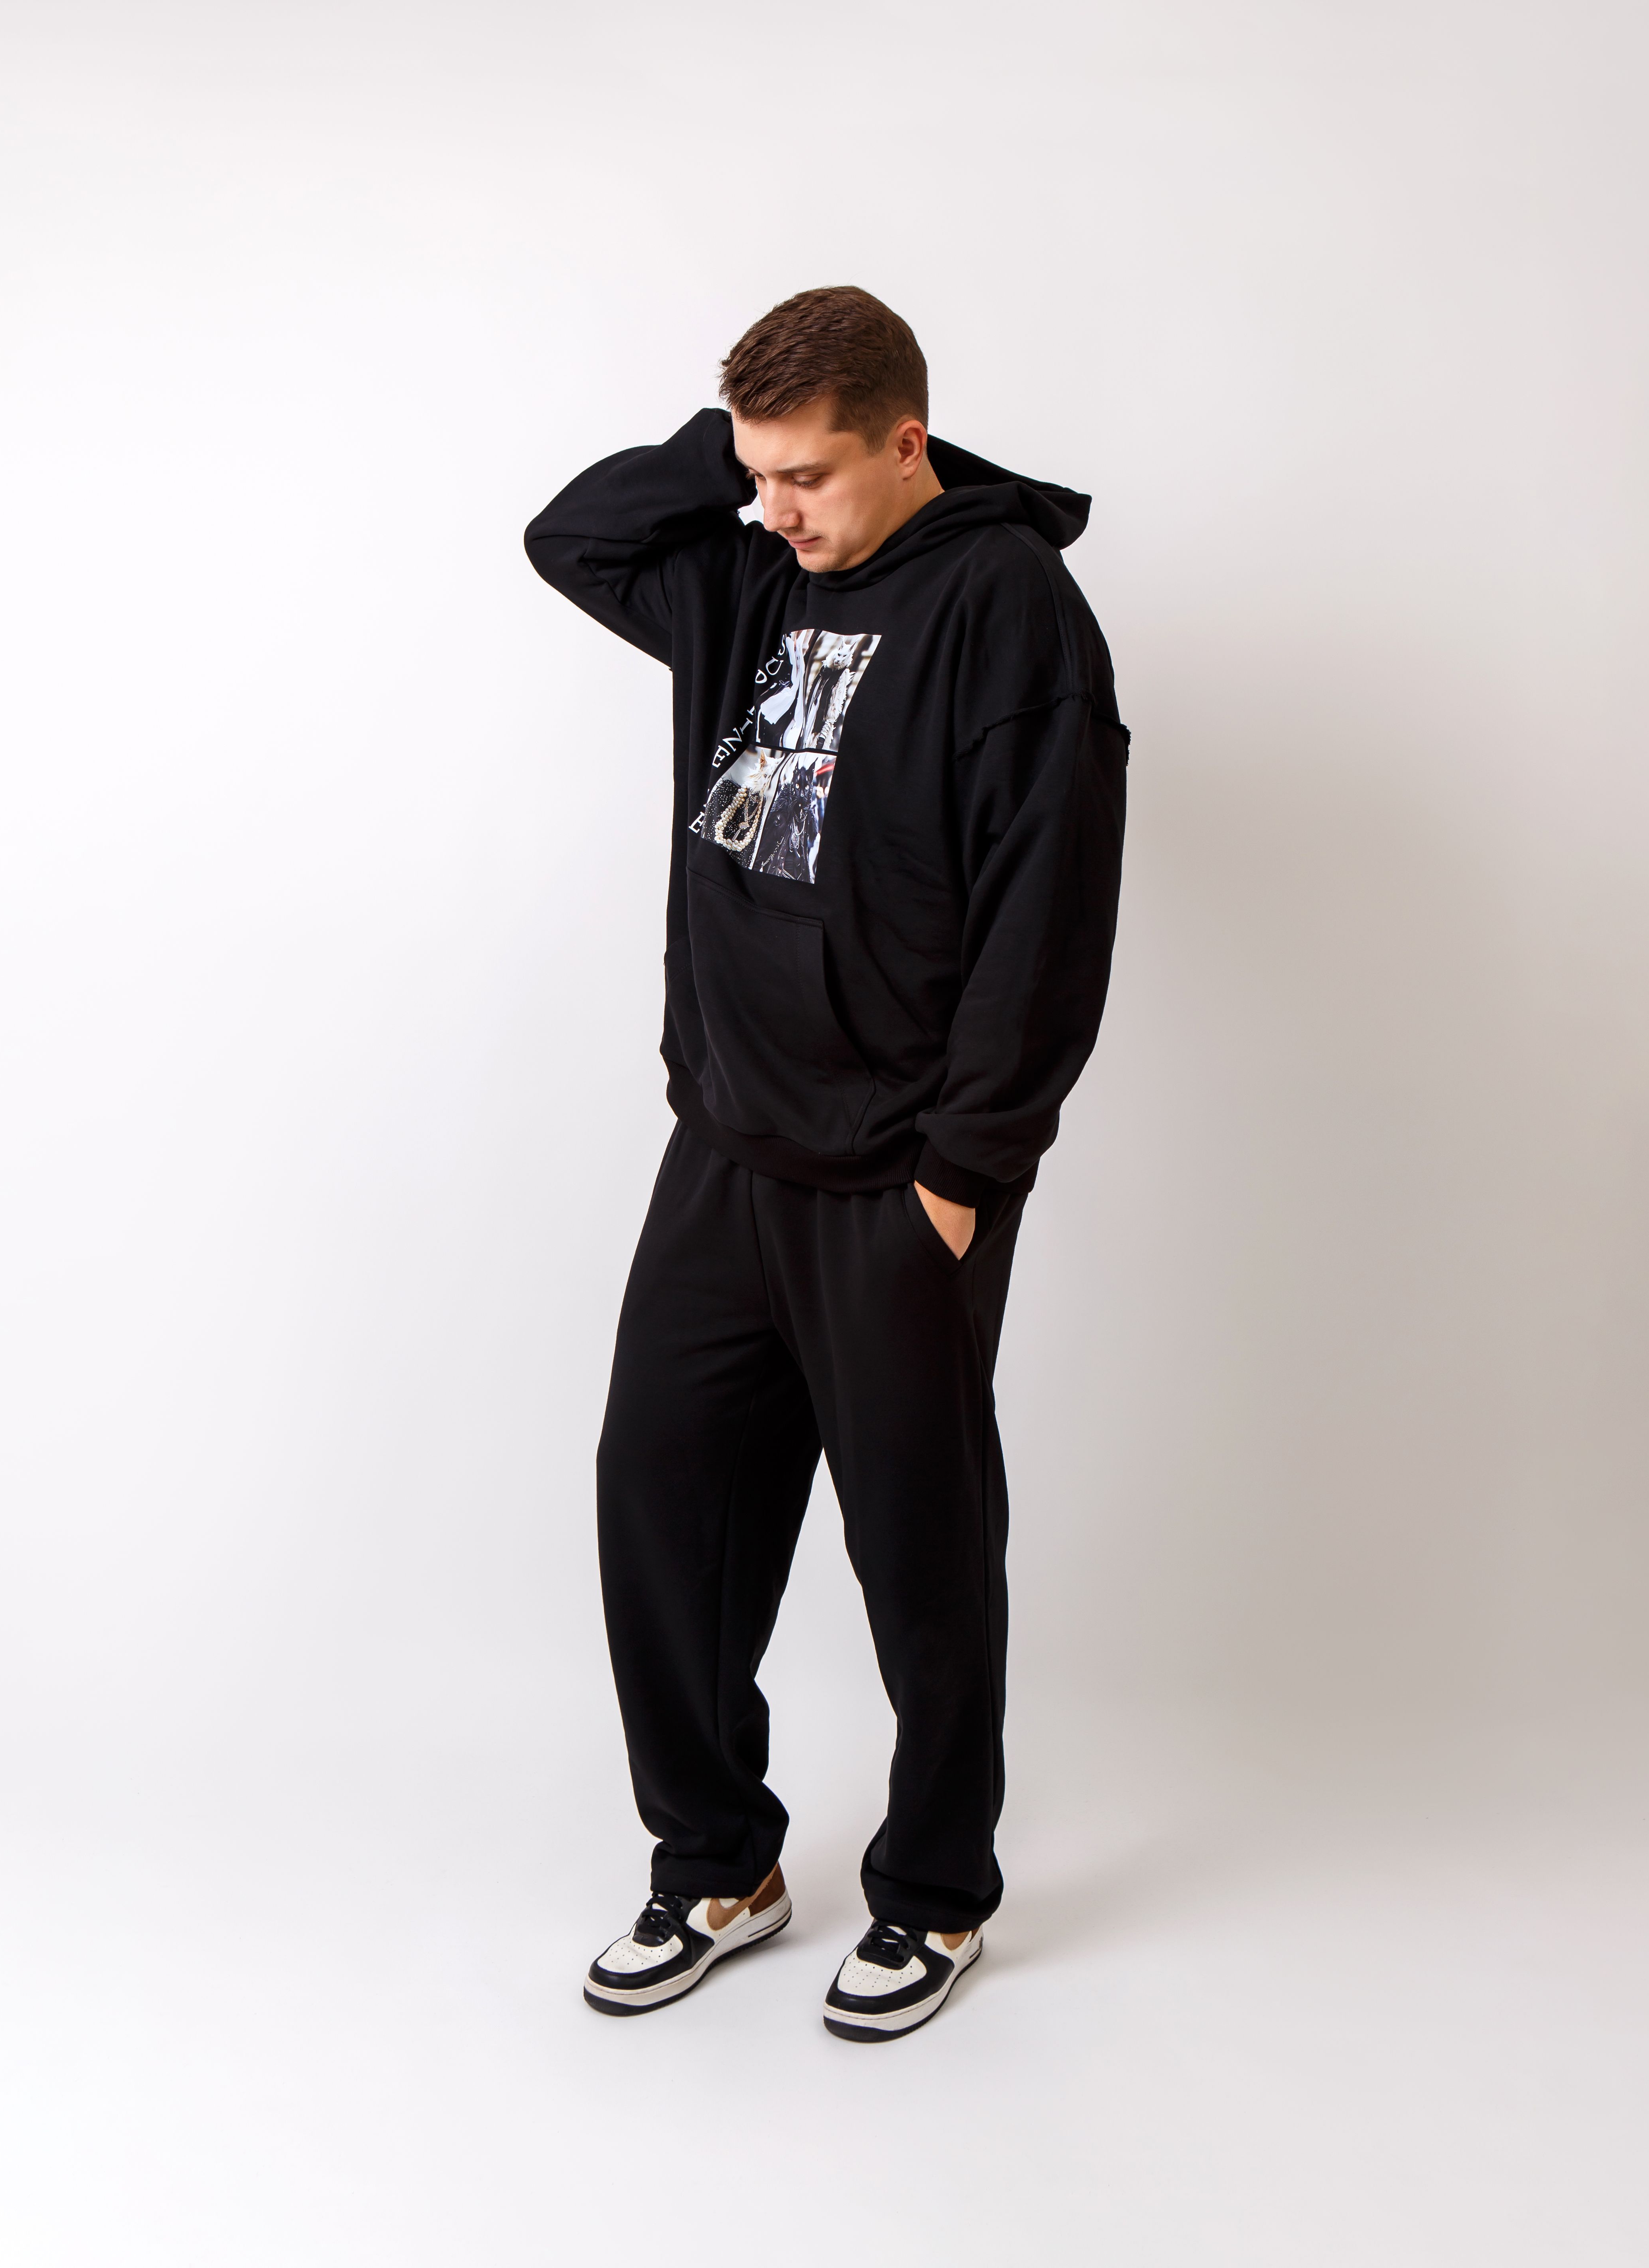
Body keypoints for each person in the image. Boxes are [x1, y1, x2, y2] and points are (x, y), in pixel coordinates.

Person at [524, 286, 1128, 2042]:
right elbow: (573, 535)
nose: (775, 507)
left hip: (897, 1176)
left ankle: (935, 1892)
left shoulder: (1008, 606)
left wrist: (965, 1169)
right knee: (660, 1498)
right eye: (756, 472)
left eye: (810, 473)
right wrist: (737, 453)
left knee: (919, 1547)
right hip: (727, 1142)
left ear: (907, 442)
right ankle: (719, 1859)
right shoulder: (746, 573)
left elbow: (1049, 906)